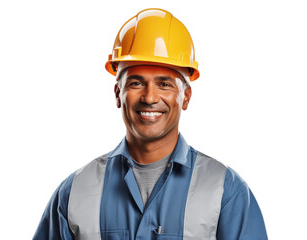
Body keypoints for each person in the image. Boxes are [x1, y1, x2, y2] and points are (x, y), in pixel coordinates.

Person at [33, 8, 268, 240]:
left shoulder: (225, 192)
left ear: (185, 97)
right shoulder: (74, 193)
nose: (149, 97)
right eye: (136, 83)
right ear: (118, 94)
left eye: (164, 84)